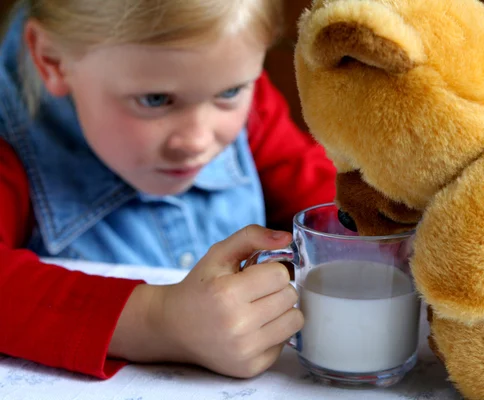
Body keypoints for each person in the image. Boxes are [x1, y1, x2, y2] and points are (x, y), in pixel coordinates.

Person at [0, 0, 336, 380]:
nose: (196, 141)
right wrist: (158, 321)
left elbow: (327, 201)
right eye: (155, 99)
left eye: (229, 93)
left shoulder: (224, 71)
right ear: (52, 61)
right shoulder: (10, 140)